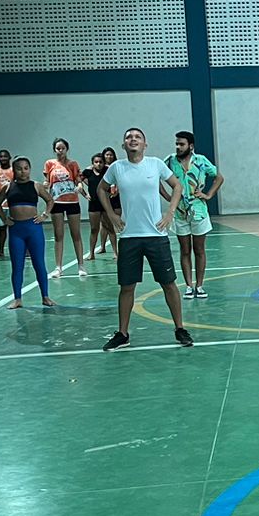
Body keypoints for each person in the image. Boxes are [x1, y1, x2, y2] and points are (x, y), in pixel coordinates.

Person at [92, 128, 193, 350]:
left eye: (137, 137)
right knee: (127, 287)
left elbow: (177, 185)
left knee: (168, 284)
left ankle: (180, 328)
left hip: (156, 236)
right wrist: (111, 215)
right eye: (129, 137)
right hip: (129, 237)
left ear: (145, 145)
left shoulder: (155, 164)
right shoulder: (117, 168)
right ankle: (123, 334)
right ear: (123, 145)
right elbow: (101, 190)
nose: (133, 139)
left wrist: (170, 212)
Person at [0, 157, 56, 309]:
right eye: (19, 168)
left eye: (26, 168)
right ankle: (17, 299)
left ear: (30, 169)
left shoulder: (36, 186)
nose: (23, 171)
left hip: (33, 229)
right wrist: (4, 219)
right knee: (17, 265)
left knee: (39, 264)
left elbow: (50, 200)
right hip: (16, 231)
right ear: (14, 170)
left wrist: (44, 215)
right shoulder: (8, 187)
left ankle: (45, 296)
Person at [168, 130, 223, 298]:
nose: (178, 147)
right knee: (185, 250)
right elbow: (156, 177)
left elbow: (219, 177)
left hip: (198, 211)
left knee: (199, 249)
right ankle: (188, 286)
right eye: (177, 144)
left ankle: (199, 285)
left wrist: (209, 195)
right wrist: (169, 198)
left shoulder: (201, 161)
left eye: (181, 144)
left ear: (190, 146)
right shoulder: (170, 161)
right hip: (180, 212)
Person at [43, 138, 88, 279]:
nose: (60, 151)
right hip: (56, 202)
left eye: (63, 148)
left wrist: (79, 186)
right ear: (54, 150)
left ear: (67, 149)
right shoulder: (49, 164)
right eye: (58, 148)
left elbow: (78, 181)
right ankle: (58, 267)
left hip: (72, 202)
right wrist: (45, 185)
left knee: (76, 234)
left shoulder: (73, 164)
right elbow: (47, 181)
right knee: (58, 235)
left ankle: (81, 265)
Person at [83, 151, 114, 262]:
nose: (98, 164)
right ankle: (91, 253)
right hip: (93, 204)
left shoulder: (108, 171)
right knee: (94, 229)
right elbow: (78, 179)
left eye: (101, 162)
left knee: (110, 228)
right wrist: (85, 194)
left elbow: (116, 181)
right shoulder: (88, 172)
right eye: (96, 162)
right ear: (92, 163)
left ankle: (116, 253)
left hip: (105, 203)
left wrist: (113, 191)